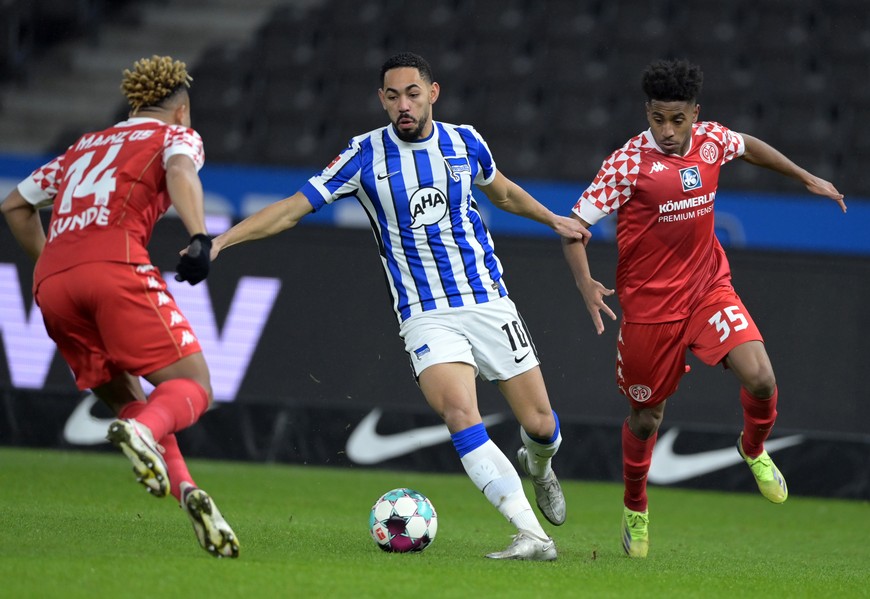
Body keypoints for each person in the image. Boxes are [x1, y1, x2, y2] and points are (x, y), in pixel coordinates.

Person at [208, 52, 590, 560]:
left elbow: (503, 193)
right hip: (424, 312)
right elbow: (291, 210)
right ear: (382, 100)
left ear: (433, 93)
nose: (403, 105)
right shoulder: (363, 156)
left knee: (541, 425)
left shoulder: (465, 141)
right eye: (392, 96)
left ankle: (539, 467)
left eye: (412, 93)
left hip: (488, 300)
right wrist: (219, 242)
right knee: (460, 412)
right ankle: (533, 535)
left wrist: (554, 220)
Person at [561, 58, 847, 559]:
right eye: (657, 118)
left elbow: (749, 146)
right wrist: (585, 282)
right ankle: (635, 505)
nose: (667, 131)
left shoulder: (712, 139)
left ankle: (753, 448)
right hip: (651, 310)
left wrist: (806, 176)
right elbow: (574, 224)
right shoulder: (628, 163)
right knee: (647, 418)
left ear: (696, 112)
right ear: (647, 113)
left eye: (677, 119)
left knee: (761, 378)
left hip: (707, 289)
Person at [1, 55, 239, 558]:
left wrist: (56, 264)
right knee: (192, 385)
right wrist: (199, 235)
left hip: (52, 285)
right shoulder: (174, 136)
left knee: (132, 398)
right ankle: (141, 433)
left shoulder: (81, 147)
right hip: (115, 266)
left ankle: (189, 492)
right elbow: (179, 170)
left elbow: (14, 205)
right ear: (181, 111)